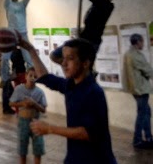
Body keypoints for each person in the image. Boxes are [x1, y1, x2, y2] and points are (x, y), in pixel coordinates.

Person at [19, 35, 117, 164]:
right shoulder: (71, 85)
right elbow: (45, 77)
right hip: (75, 157)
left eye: (70, 59)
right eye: (63, 59)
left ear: (85, 63)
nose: (64, 64)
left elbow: (88, 133)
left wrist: (49, 128)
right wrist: (30, 49)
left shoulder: (93, 92)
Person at [10, 67, 47, 164]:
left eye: (35, 76)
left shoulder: (40, 92)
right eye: (30, 75)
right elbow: (11, 103)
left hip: (36, 121)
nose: (32, 78)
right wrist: (22, 104)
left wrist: (34, 104)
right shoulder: (19, 89)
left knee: (38, 148)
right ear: (26, 76)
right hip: (23, 121)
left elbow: (43, 109)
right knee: (22, 149)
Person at [122, 33, 153, 149]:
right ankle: (138, 140)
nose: (143, 44)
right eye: (142, 41)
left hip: (136, 88)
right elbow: (147, 69)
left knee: (146, 112)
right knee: (142, 114)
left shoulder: (127, 54)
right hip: (140, 89)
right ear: (138, 42)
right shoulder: (135, 55)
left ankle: (149, 137)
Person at [2, 0, 33, 75]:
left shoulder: (22, 4)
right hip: (12, 33)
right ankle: (5, 77)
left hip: (23, 33)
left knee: (29, 59)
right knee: (5, 57)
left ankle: (31, 77)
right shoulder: (8, 4)